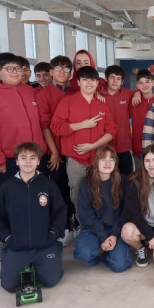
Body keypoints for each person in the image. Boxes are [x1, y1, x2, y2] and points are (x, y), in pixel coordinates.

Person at [0, 142, 66, 292]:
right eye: (23, 158)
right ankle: (14, 260)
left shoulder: (48, 185)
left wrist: (52, 234)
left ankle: (49, 256)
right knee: (9, 286)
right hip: (17, 247)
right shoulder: (6, 188)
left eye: (33, 158)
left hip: (45, 245)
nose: (28, 161)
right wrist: (8, 238)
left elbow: (60, 212)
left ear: (38, 161)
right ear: (17, 161)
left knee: (51, 281)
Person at [0, 52, 47, 194]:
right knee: (10, 201)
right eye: (9, 68)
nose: (15, 72)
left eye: (17, 68)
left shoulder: (29, 91)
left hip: (37, 157)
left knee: (38, 198)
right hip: (9, 161)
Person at [50, 65, 117, 210]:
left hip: (98, 159)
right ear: (78, 82)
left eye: (93, 80)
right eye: (85, 79)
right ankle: (82, 228)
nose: (89, 83)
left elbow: (112, 131)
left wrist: (93, 146)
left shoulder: (102, 105)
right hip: (76, 160)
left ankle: (98, 226)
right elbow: (56, 127)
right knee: (78, 193)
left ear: (97, 83)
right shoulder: (67, 102)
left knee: (100, 193)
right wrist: (81, 125)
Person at [36, 55, 76, 245]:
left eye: (66, 69)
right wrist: (54, 152)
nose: (62, 73)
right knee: (60, 191)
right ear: (51, 72)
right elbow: (45, 126)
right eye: (58, 69)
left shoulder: (74, 92)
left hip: (75, 149)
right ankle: (66, 226)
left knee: (77, 188)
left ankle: (77, 223)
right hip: (56, 152)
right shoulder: (43, 95)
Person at [73, 146, 132, 272]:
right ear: (96, 162)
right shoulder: (86, 183)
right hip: (93, 230)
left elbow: (126, 212)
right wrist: (103, 236)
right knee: (84, 253)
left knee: (120, 265)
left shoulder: (122, 181)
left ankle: (106, 254)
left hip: (116, 230)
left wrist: (115, 235)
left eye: (111, 160)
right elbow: (86, 216)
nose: (107, 163)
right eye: (103, 159)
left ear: (115, 163)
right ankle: (99, 248)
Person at [121, 145, 154, 268]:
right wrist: (150, 236)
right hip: (144, 228)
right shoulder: (134, 181)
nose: (151, 164)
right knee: (127, 231)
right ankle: (141, 248)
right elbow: (133, 214)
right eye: (147, 160)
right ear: (142, 162)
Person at [99, 65, 136, 175]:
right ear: (106, 78)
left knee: (127, 177)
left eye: (118, 79)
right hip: (105, 146)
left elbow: (142, 91)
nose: (115, 81)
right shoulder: (99, 95)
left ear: (122, 81)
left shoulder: (127, 93)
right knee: (107, 178)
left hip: (124, 146)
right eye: (112, 78)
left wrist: (138, 93)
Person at [130, 69, 154, 169]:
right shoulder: (134, 101)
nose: (144, 85)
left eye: (147, 81)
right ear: (137, 85)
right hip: (138, 149)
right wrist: (137, 93)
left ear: (152, 83)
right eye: (141, 83)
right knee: (140, 179)